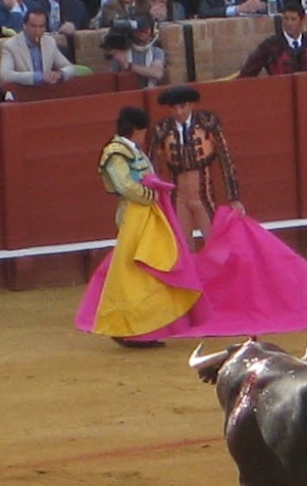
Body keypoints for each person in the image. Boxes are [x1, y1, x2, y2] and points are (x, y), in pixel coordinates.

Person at [74, 104, 199, 348]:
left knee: (143, 273)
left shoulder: (130, 150)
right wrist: (152, 195)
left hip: (144, 215)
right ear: (135, 130)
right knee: (135, 274)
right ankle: (126, 326)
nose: (144, 137)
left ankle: (139, 326)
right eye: (142, 132)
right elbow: (124, 185)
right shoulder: (116, 152)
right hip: (133, 215)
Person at [145, 86, 244, 251]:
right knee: (182, 246)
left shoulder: (207, 123)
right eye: (173, 107)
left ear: (191, 105)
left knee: (214, 242)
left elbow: (225, 158)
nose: (178, 112)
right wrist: (153, 194)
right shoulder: (161, 129)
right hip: (177, 195)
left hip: (203, 192)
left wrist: (234, 197)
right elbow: (152, 165)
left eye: (182, 106)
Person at [238, 1, 307, 74]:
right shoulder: (270, 45)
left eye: (293, 19)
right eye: (286, 19)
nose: (289, 23)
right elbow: (248, 72)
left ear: (302, 21)